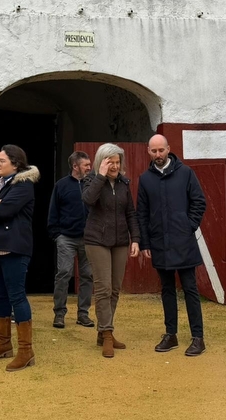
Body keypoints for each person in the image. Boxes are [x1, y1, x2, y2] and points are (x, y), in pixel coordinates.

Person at [138, 134, 207, 357]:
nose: (158, 155)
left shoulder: (185, 173)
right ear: (148, 152)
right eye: (154, 151)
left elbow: (199, 201)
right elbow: (142, 213)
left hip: (183, 241)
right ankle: (171, 335)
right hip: (159, 243)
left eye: (161, 150)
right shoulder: (145, 179)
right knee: (167, 290)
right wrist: (145, 242)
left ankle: (198, 338)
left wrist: (188, 226)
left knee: (190, 290)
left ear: (169, 149)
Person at [0, 144, 40, 372]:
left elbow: (5, 211)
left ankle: (25, 350)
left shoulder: (24, 185)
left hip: (14, 249)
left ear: (15, 163)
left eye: (2, 160)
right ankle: (3, 344)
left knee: (16, 296)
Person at [82, 143, 140, 358]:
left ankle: (103, 330)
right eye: (111, 162)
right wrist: (101, 176)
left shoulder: (124, 184)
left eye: (117, 162)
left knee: (115, 289)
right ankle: (107, 334)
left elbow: (131, 214)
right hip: (96, 241)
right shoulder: (92, 180)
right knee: (103, 289)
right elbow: (88, 200)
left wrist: (135, 239)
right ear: (102, 162)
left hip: (120, 242)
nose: (115, 166)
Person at [48, 151, 94, 329]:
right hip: (66, 237)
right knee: (64, 274)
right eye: (85, 165)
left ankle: (83, 314)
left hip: (88, 238)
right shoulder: (61, 186)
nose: (89, 168)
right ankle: (59, 313)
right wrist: (56, 235)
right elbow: (53, 211)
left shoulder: (93, 184)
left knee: (87, 276)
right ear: (75, 166)